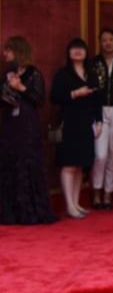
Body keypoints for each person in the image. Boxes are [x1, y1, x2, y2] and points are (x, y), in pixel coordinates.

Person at [0, 36, 58, 224]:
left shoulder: (34, 73)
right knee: (9, 163)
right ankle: (11, 212)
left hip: (27, 124)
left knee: (27, 163)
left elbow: (38, 99)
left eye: (8, 50)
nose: (5, 54)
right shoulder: (7, 73)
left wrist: (21, 88)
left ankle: (29, 211)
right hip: (10, 124)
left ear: (18, 50)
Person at [50, 38, 102, 218]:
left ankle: (77, 203)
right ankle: (69, 205)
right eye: (74, 49)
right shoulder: (63, 74)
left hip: (87, 123)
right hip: (70, 122)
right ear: (69, 52)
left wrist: (100, 121)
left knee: (81, 165)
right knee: (69, 164)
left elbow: (98, 100)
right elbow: (55, 97)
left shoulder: (91, 73)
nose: (78, 52)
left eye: (81, 49)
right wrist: (74, 93)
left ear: (86, 52)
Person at [89, 27, 113, 209]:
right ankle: (96, 190)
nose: (108, 43)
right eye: (104, 40)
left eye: (111, 39)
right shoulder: (93, 63)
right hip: (99, 110)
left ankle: (108, 193)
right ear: (100, 42)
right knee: (100, 155)